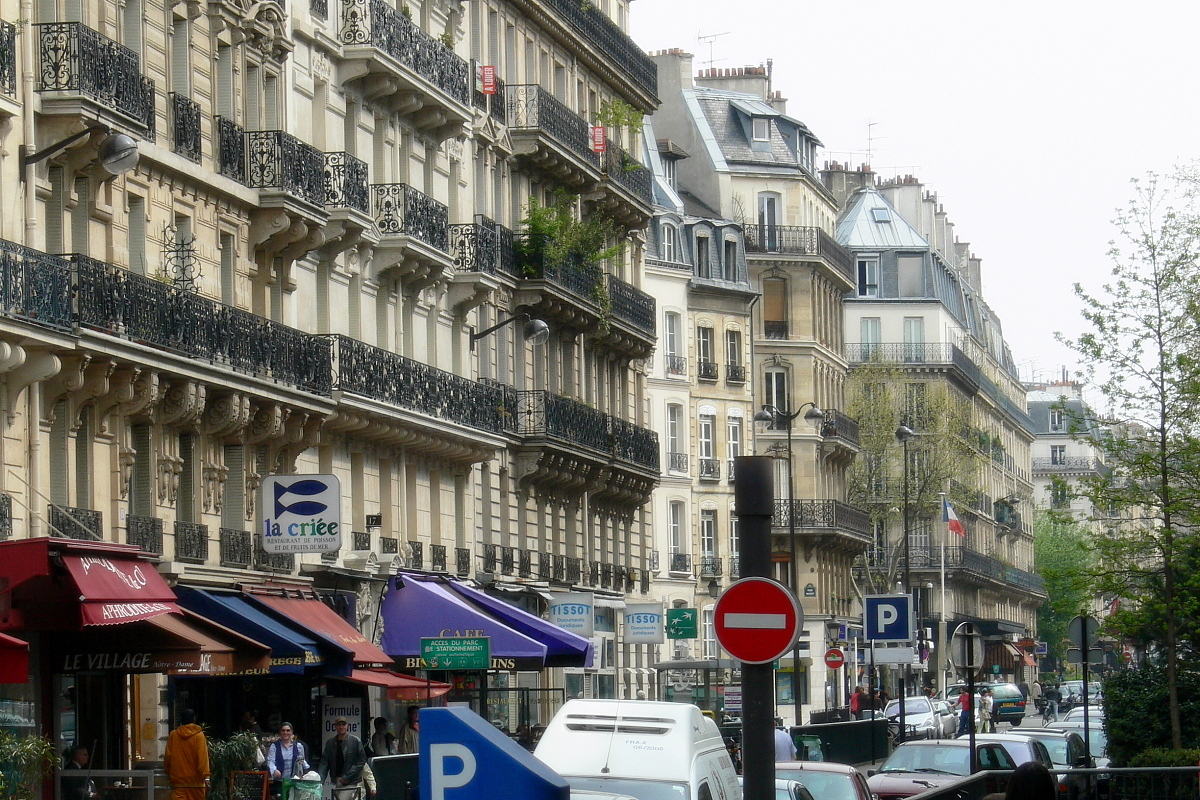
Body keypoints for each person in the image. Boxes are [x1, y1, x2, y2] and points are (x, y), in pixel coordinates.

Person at [164, 709, 211, 800]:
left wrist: (168, 772)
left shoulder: (174, 735)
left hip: (179, 784)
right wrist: (206, 776)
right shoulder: (199, 735)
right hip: (196, 784)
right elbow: (202, 758)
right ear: (194, 719)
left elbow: (168, 757)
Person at [318, 716, 366, 796]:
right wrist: (320, 781)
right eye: (339, 725)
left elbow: (361, 760)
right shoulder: (330, 743)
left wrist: (347, 777)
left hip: (352, 781)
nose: (341, 727)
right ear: (335, 727)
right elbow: (324, 763)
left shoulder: (355, 741)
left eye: (343, 725)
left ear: (347, 726)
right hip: (338, 780)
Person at [266, 722, 308, 796]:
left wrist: (306, 770)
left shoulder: (298, 746)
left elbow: (302, 760)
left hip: (294, 781)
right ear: (280, 732)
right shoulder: (274, 746)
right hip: (280, 782)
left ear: (292, 732)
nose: (285, 733)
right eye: (283, 730)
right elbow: (270, 761)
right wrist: (274, 770)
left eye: (288, 730)